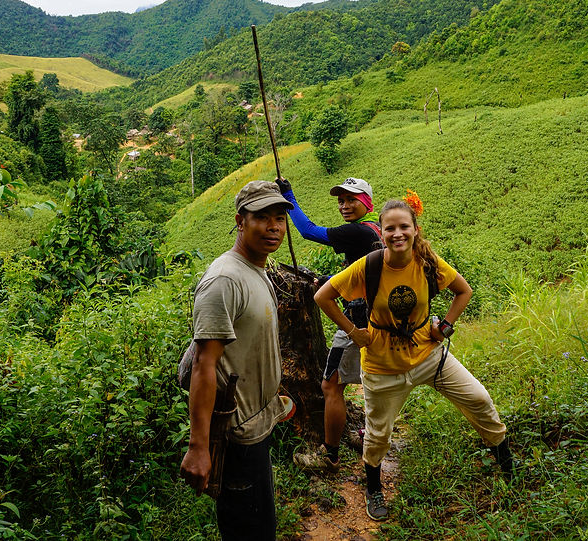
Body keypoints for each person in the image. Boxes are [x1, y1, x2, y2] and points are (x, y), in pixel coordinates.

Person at [314, 196, 513, 522]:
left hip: (428, 356)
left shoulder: (427, 262)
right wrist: (353, 331)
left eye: (404, 227)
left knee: (478, 398)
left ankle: (507, 465)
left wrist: (444, 327)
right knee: (378, 435)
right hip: (383, 366)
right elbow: (323, 296)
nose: (397, 234)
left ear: (415, 230)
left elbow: (463, 291)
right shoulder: (369, 266)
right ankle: (373, 488)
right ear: (381, 232)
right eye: (390, 228)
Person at [179, 180, 294, 540]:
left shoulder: (256, 269)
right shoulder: (225, 280)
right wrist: (199, 447)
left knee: (261, 525)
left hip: (256, 425)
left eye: (279, 218)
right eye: (262, 217)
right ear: (240, 221)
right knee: (250, 530)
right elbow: (204, 364)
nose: (273, 227)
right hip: (235, 437)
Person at [275, 176, 382, 473]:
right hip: (376, 317)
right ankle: (365, 435)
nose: (344, 206)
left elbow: (308, 231)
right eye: (341, 201)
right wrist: (332, 280)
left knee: (331, 385)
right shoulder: (376, 230)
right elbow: (363, 271)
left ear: (367, 202)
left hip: (357, 321)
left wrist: (289, 197)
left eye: (352, 199)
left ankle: (330, 455)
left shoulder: (356, 231)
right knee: (373, 382)